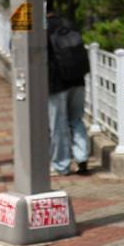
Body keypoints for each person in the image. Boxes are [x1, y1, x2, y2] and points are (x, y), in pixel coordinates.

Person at [46, 9, 91, 178]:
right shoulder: (69, 24)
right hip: (78, 79)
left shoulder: (43, 28)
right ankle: (82, 158)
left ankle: (61, 165)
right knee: (76, 119)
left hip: (56, 83)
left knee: (58, 125)